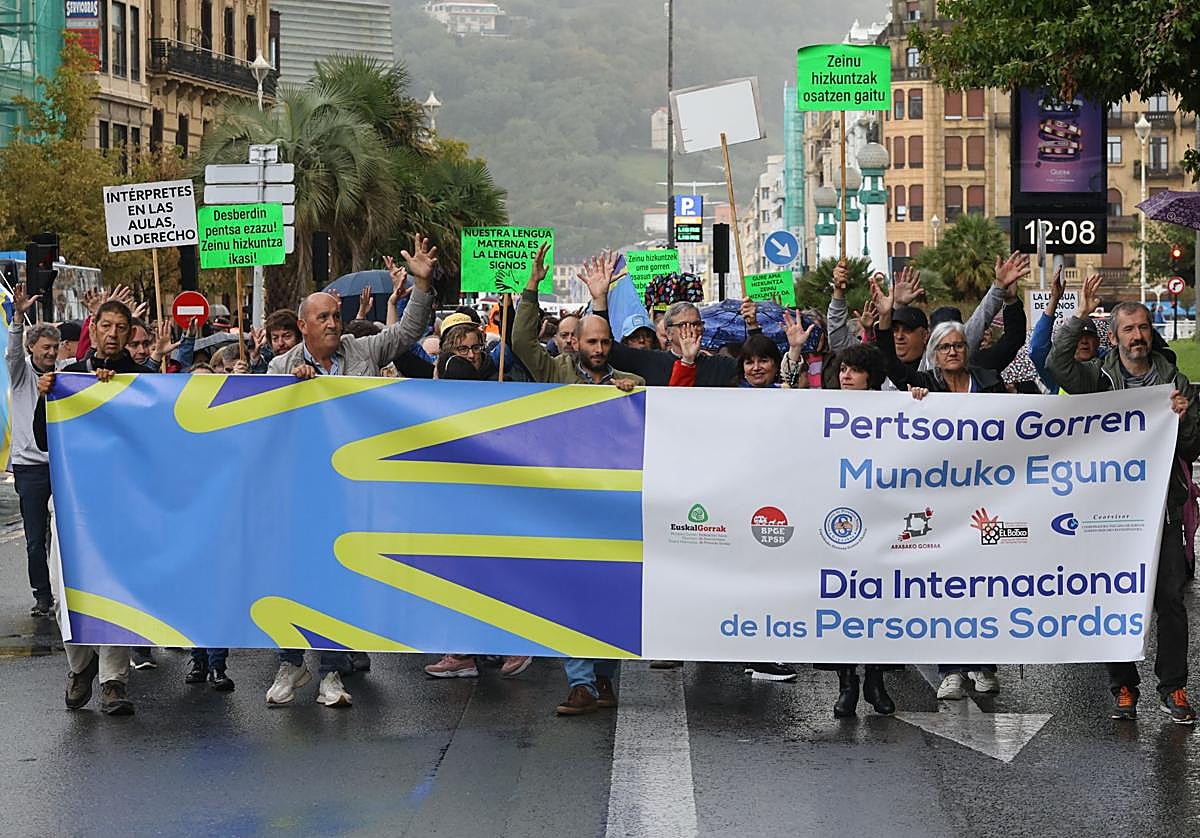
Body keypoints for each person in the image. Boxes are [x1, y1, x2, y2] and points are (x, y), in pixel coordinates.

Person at [264, 235, 438, 709]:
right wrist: (289, 390)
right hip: (298, 494)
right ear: (301, 325)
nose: (332, 323)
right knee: (293, 577)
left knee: (339, 581)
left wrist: (420, 285)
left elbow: (407, 334)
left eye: (336, 316)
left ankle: (332, 674)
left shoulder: (361, 353)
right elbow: (259, 424)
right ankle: (290, 661)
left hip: (350, 493)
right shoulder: (279, 367)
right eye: (322, 317)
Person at [1047, 274, 1199, 724]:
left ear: (1152, 334)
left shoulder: (1177, 382)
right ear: (1113, 338)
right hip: (1109, 509)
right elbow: (1056, 366)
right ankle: (1124, 686)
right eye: (1129, 330)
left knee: (1170, 599)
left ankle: (1172, 688)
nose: (1138, 337)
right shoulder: (1097, 378)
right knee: (1114, 596)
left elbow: (1192, 449)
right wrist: (1077, 316)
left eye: (1144, 328)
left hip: (1162, 510)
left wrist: (1185, 419)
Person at [511, 244, 643, 716]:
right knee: (572, 595)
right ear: (575, 345)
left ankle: (603, 680)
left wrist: (632, 394)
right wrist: (531, 287)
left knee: (610, 594)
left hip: (616, 510)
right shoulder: (555, 373)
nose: (599, 350)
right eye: (591, 342)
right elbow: (522, 343)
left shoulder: (629, 381)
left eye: (605, 343)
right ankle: (581, 683)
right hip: (566, 507)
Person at [874, 280, 1004, 699]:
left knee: (985, 584)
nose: (952, 352)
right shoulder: (923, 386)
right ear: (934, 354)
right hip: (942, 504)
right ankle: (951, 670)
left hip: (988, 501)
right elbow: (890, 366)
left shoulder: (990, 382)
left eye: (958, 346)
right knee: (947, 585)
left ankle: (984, 665)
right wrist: (884, 319)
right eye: (945, 347)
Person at [37, 299, 146, 715]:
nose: (114, 334)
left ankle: (114, 680)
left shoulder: (143, 378)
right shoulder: (67, 377)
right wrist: (48, 396)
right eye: (107, 326)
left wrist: (117, 385)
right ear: (94, 328)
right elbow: (44, 438)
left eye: (122, 327)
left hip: (123, 504)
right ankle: (80, 665)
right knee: (67, 587)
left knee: (117, 588)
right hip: (73, 500)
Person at [577, 251, 737, 387]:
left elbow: (754, 367)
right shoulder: (649, 361)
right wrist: (600, 299)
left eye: (696, 324)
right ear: (668, 333)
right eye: (683, 325)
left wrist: (752, 325)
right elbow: (609, 349)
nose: (691, 330)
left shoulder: (719, 365)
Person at [7, 285, 59, 618]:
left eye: (55, 348)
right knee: (34, 539)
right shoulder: (21, 374)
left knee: (68, 534)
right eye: (45, 348)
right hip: (30, 469)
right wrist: (17, 318)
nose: (51, 353)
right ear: (31, 348)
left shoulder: (65, 373)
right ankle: (42, 594)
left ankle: (68, 589)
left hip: (63, 466)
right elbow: (12, 353)